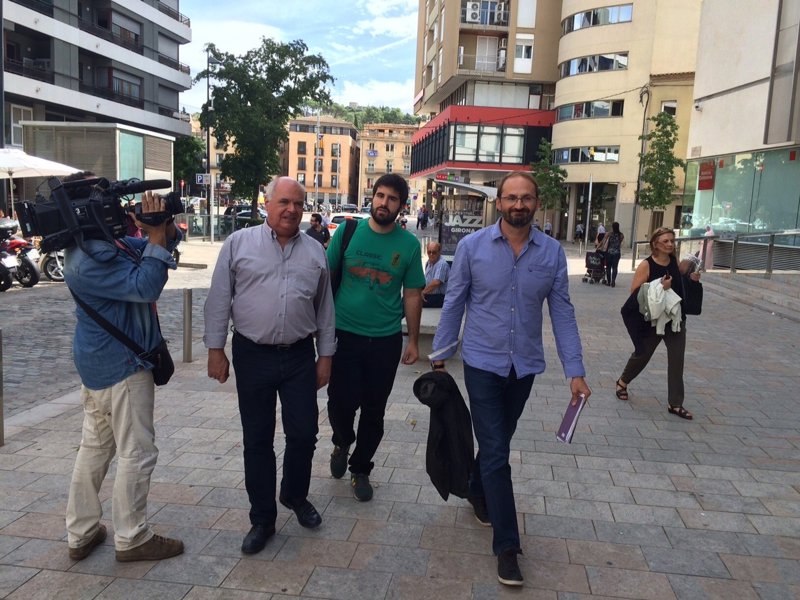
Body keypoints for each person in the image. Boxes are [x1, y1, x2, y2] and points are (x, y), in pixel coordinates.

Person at [430, 171, 591, 587]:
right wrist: (440, 354)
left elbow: (563, 313)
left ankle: (475, 488)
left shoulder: (552, 253)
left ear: (536, 203)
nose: (519, 204)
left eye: (526, 198)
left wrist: (575, 371)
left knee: (496, 443)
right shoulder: (472, 247)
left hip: (524, 368)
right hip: (482, 364)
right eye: (511, 197)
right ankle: (507, 547)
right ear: (499, 202)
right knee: (498, 453)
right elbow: (455, 301)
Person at [204, 177, 335, 555]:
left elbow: (325, 309)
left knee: (304, 433)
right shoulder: (238, 244)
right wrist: (215, 349)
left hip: (299, 356)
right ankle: (262, 518)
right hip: (253, 354)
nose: (291, 210)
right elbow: (219, 299)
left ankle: (294, 494)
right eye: (284, 202)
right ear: (267, 203)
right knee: (257, 439)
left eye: (298, 203)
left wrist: (325, 357)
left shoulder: (315, 251)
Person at [64, 172, 184, 563]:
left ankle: (81, 532)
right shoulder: (90, 259)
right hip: (122, 367)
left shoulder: (95, 245)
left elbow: (150, 249)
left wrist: (161, 226)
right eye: (106, 202)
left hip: (100, 366)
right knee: (137, 451)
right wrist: (155, 236)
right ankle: (132, 537)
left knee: (96, 448)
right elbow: (146, 284)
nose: (114, 209)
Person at [326, 173, 425, 502]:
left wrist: (413, 340)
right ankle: (342, 441)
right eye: (380, 196)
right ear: (373, 198)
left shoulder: (408, 245)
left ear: (401, 205)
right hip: (344, 334)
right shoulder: (347, 232)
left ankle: (361, 469)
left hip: (384, 340)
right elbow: (324, 278)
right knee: (340, 402)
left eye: (392, 198)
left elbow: (412, 294)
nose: (384, 203)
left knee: (374, 409)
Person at [615, 227, 701, 420]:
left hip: (674, 319)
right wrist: (660, 287)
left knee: (677, 360)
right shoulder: (646, 265)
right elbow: (635, 293)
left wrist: (691, 279)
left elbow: (679, 287)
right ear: (655, 244)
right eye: (665, 241)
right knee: (642, 355)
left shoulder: (674, 262)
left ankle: (675, 404)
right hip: (654, 320)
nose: (670, 244)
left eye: (672, 241)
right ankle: (622, 381)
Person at [422, 241, 450, 308]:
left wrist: (423, 292)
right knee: (409, 297)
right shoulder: (428, 263)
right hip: (431, 295)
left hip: (441, 297)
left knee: (413, 302)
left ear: (439, 252)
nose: (431, 254)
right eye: (429, 252)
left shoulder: (442, 264)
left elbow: (436, 282)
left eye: (434, 252)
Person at [603, 222, 624, 287]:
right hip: (617, 253)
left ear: (612, 227)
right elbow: (620, 242)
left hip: (609, 252)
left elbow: (604, 241)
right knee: (615, 267)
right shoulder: (621, 235)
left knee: (608, 267)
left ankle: (608, 282)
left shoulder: (609, 234)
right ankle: (613, 282)